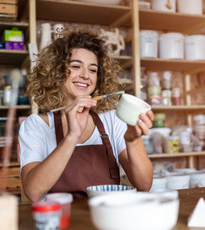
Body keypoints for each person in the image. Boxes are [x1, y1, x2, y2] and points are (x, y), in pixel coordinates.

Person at [19, 27, 154, 201]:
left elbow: (144, 185)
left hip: (106, 218)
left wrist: (133, 140)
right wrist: (71, 137)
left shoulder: (112, 120)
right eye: (76, 66)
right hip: (61, 221)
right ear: (57, 72)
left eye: (92, 70)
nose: (85, 75)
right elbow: (33, 191)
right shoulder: (37, 125)